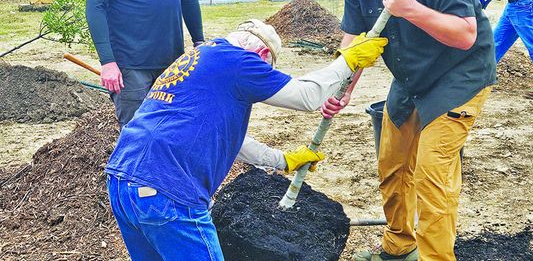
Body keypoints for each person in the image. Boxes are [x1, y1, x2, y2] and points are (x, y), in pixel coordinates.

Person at [105, 18, 387, 261]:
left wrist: (283, 160)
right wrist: (346, 62)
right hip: (168, 189)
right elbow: (307, 96)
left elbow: (230, 141)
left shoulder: (201, 60)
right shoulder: (241, 62)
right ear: (262, 54)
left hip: (121, 182)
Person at [322, 0, 496, 261]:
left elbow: (465, 34)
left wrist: (411, 9)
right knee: (392, 166)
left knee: (432, 178)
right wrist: (340, 88)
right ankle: (399, 245)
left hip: (458, 76)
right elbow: (355, 39)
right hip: (411, 78)